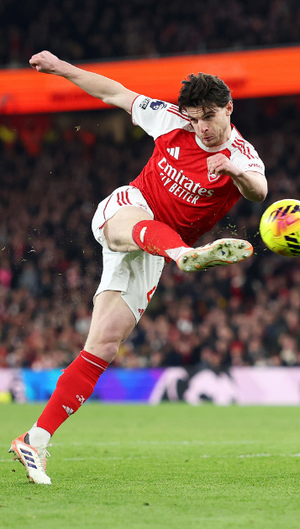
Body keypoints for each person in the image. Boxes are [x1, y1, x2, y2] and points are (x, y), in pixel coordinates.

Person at [9, 51, 268, 485]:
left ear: (228, 108)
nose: (202, 127)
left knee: (103, 346)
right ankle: (184, 255)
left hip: (152, 251)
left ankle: (34, 440)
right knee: (129, 226)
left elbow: (259, 190)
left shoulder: (242, 155)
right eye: (195, 119)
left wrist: (234, 170)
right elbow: (114, 93)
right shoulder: (170, 121)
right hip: (130, 209)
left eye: (209, 117)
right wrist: (61, 68)